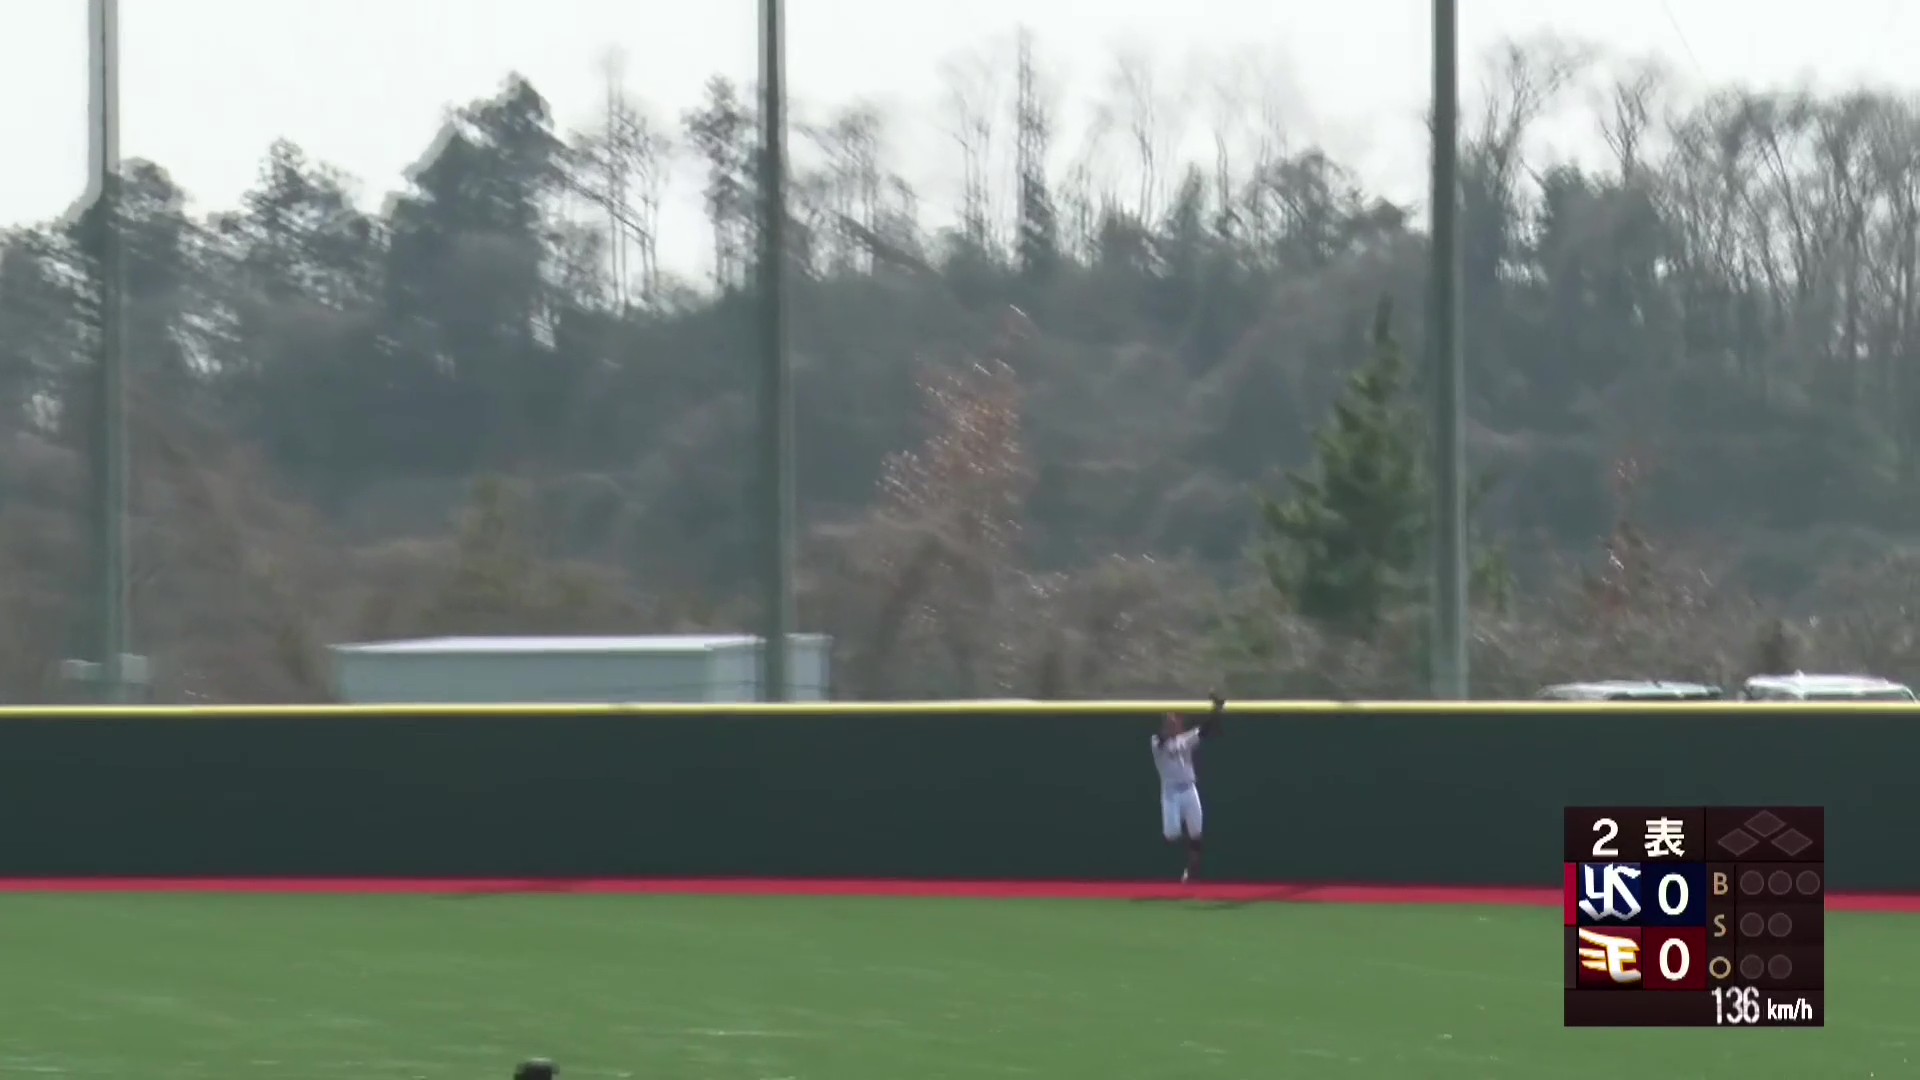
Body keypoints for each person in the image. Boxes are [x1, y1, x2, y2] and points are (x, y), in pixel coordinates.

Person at [1151, 691, 1224, 883]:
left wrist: (1217, 709)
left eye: (1175, 720)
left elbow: (1206, 730)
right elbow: (1161, 738)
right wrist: (1168, 724)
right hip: (1171, 792)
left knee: (1196, 832)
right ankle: (1173, 838)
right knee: (1172, 834)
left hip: (1189, 788)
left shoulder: (1186, 738)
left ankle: (1192, 871)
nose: (1173, 723)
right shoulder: (1156, 741)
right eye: (1169, 720)